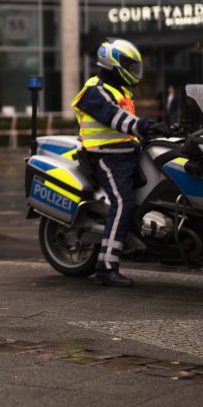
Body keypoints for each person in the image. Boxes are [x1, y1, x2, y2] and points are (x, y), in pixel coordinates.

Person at [71, 38, 166, 288]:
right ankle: (106, 267)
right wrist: (145, 125)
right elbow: (115, 118)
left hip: (127, 153)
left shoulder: (122, 91)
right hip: (105, 157)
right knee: (123, 202)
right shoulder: (95, 90)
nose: (133, 70)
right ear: (112, 63)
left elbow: (127, 125)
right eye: (127, 64)